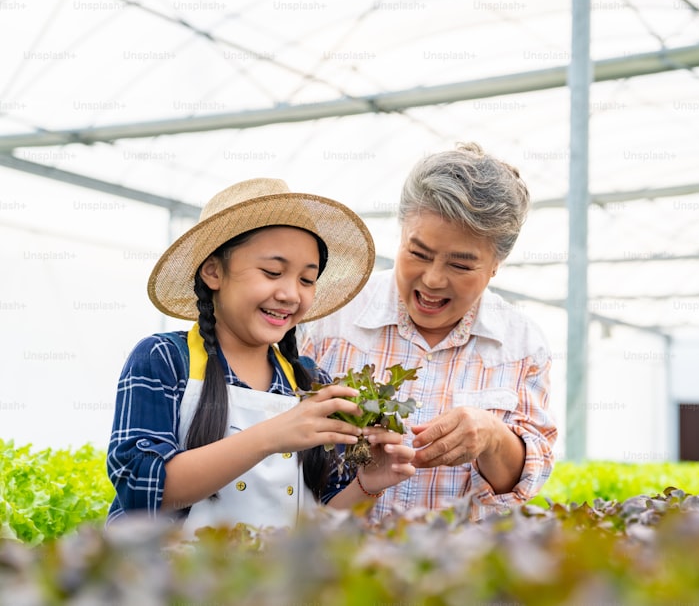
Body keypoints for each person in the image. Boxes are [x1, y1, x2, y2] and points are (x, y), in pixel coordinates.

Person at [106, 178, 416, 533]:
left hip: (270, 585)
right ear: (213, 271)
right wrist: (270, 436)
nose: (290, 294)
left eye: (306, 279)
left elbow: (321, 522)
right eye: (272, 272)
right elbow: (140, 487)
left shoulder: (311, 381)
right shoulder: (164, 359)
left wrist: (367, 483)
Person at [300, 143, 558, 521]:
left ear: (495, 266)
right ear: (401, 233)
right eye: (418, 253)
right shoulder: (332, 317)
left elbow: (525, 479)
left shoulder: (521, 345)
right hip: (335, 563)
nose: (434, 279)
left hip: (455, 570)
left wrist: (490, 434)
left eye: (461, 265)